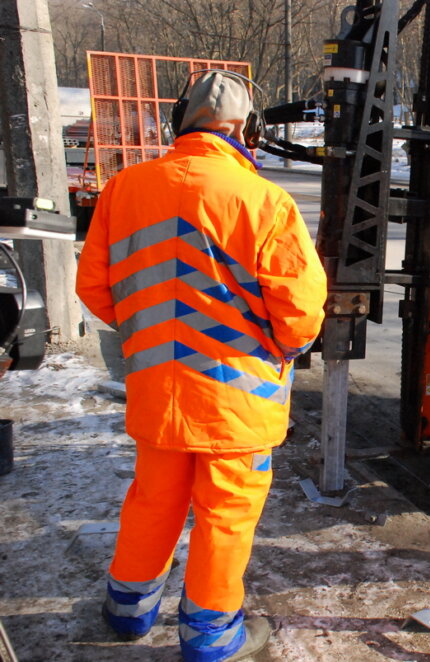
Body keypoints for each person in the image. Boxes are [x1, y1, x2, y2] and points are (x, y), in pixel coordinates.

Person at [76, 71, 327, 661]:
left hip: (155, 391)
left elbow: (95, 287)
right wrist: (281, 349)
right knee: (226, 515)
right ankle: (212, 638)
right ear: (246, 130)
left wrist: (147, 331)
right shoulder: (265, 200)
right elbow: (300, 312)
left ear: (179, 120)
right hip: (236, 403)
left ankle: (128, 612)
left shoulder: (124, 188)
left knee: (152, 501)